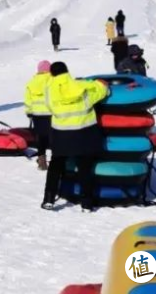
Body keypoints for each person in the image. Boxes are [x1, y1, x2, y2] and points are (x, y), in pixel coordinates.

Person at [41, 62, 109, 211]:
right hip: (83, 133)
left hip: (61, 134)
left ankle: (49, 198)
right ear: (67, 71)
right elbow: (100, 92)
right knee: (85, 168)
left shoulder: (49, 91)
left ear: (52, 74)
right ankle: (87, 203)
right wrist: (101, 84)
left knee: (55, 166)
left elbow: (49, 107)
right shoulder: (81, 87)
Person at [25, 60, 53, 170]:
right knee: (53, 137)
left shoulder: (31, 82)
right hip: (51, 113)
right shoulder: (52, 80)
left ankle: (42, 161)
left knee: (41, 137)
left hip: (37, 115)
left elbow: (28, 99)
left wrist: (29, 111)